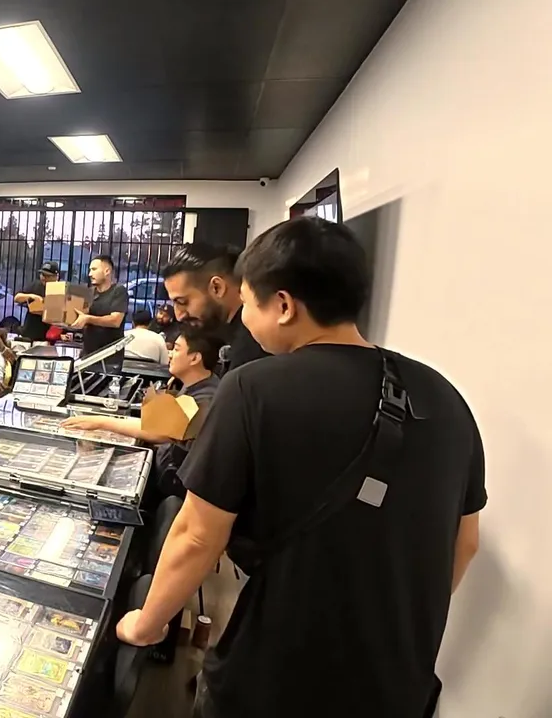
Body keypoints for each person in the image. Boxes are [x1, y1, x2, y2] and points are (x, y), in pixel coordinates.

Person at [116, 217, 486, 718]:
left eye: (249, 304)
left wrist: (147, 623)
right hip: (396, 682)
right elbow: (465, 542)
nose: (246, 319)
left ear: (284, 305)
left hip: (277, 677)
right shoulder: (444, 395)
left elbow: (198, 535)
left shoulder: (252, 387)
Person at [62, 324, 223, 443]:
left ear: (195, 358)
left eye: (177, 349)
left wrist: (100, 422)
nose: (170, 354)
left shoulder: (205, 397)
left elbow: (158, 431)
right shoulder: (193, 385)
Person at [161, 243, 271, 372]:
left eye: (182, 302)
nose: (179, 316)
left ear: (217, 288)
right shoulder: (234, 338)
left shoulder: (253, 347)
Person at [71, 255, 128, 357]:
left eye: (94, 269)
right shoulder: (89, 293)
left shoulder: (118, 291)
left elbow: (115, 321)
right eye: (90, 270)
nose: (90, 274)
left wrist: (88, 319)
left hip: (109, 357)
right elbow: (81, 317)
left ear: (107, 271)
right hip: (87, 354)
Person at [14, 262, 59, 341]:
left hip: (48, 336)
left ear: (56, 277)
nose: (44, 278)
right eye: (42, 275)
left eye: (48, 276)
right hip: (29, 333)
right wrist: (31, 296)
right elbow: (17, 298)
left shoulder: (59, 290)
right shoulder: (35, 285)